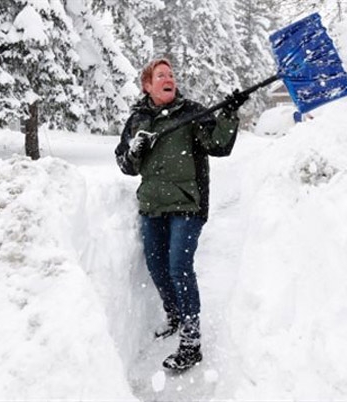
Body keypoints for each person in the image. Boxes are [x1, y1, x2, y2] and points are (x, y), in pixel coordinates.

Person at [114, 58, 248, 370]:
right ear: (148, 85)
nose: (169, 78)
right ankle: (174, 313)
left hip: (188, 204)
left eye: (171, 74)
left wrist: (229, 113)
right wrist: (135, 150)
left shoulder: (191, 112)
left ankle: (191, 339)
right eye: (161, 75)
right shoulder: (137, 120)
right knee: (157, 267)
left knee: (179, 267)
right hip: (152, 206)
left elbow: (218, 145)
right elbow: (125, 166)